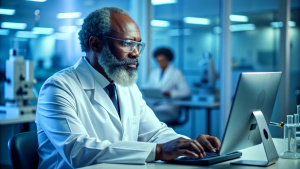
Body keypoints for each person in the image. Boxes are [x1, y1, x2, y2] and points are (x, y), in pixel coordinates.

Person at [35, 7, 220, 169]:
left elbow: (155, 132)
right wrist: (157, 151)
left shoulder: (126, 86)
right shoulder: (58, 88)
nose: (136, 53)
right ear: (95, 44)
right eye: (126, 43)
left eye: (138, 44)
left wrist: (189, 145)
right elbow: (78, 150)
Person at [146, 47, 191, 123]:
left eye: (162, 61)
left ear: (168, 60)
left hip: (169, 107)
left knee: (149, 118)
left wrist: (170, 94)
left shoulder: (176, 73)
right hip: (154, 105)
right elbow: (148, 87)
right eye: (158, 61)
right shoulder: (154, 73)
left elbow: (186, 92)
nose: (160, 63)